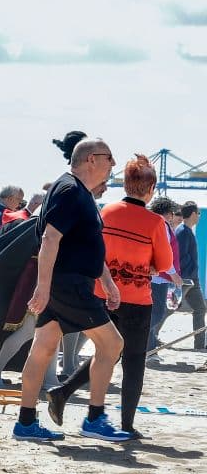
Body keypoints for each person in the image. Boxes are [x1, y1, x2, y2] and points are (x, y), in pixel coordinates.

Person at [46, 155, 174, 439]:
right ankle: (126, 424)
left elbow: (91, 248)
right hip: (137, 299)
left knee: (106, 353)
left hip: (101, 293)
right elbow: (164, 264)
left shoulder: (106, 211)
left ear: (126, 184)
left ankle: (64, 391)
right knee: (133, 361)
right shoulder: (155, 222)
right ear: (150, 188)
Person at [14, 138, 127, 442]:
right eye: (109, 158)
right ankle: (94, 418)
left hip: (68, 281)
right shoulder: (69, 190)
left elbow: (84, 244)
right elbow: (50, 239)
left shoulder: (78, 193)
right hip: (68, 283)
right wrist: (43, 287)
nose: (113, 164)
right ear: (91, 159)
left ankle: (25, 422)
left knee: (43, 347)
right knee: (113, 345)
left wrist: (106, 280)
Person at [146, 197, 184, 356]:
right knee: (157, 313)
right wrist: (174, 274)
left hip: (156, 275)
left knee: (153, 312)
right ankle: (142, 341)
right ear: (167, 213)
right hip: (158, 277)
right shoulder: (161, 225)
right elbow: (164, 252)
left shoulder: (153, 224)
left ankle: (150, 347)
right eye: (171, 213)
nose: (172, 216)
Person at [175, 201, 205, 350]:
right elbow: (180, 257)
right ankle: (152, 337)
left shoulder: (185, 230)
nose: (199, 216)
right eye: (198, 213)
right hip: (187, 279)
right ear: (193, 214)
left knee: (199, 308)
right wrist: (191, 272)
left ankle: (199, 345)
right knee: (168, 309)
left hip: (190, 278)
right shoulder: (182, 231)